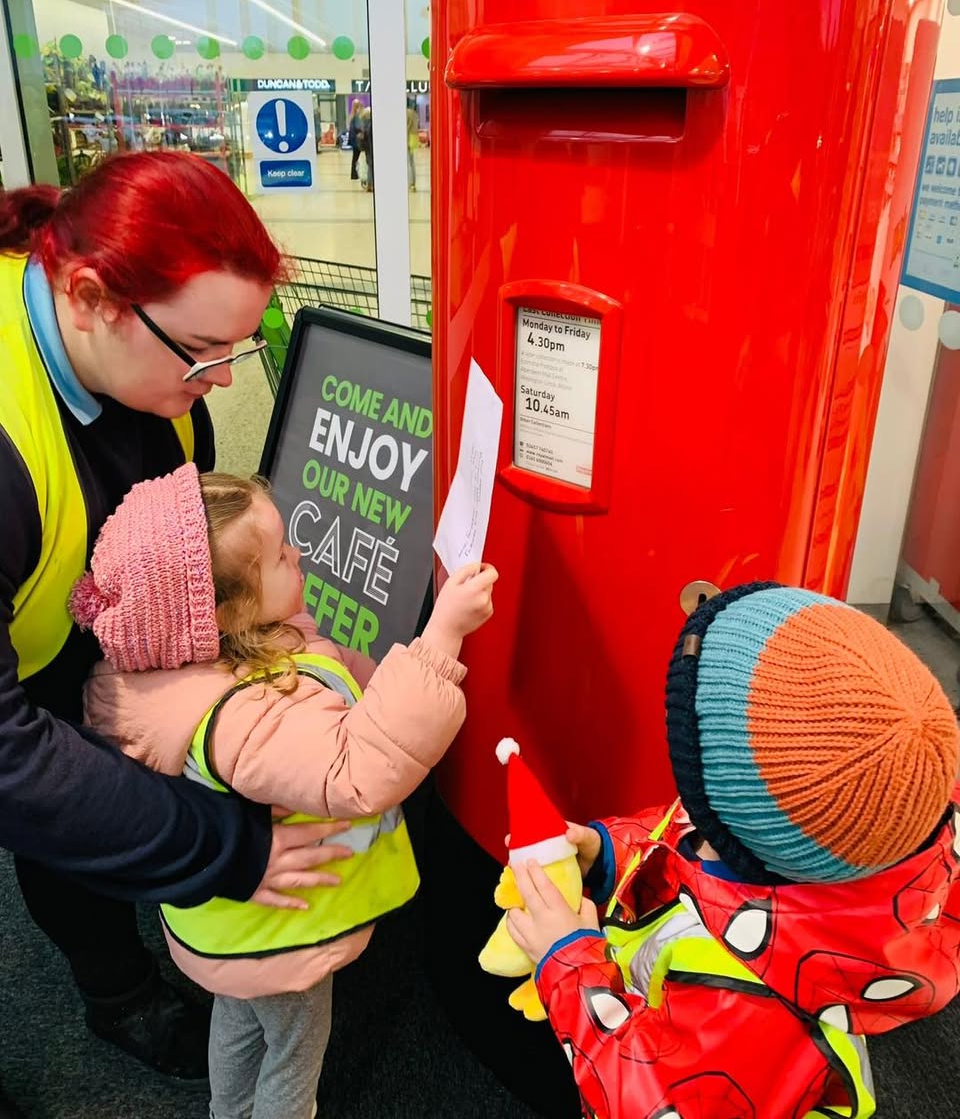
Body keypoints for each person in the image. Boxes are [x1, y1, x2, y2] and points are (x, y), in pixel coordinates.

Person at [0, 153, 348, 1114]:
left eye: (237, 350)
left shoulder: (158, 385)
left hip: (69, 610)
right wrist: (217, 846)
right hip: (24, 666)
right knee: (59, 818)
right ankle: (116, 992)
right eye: (201, 353)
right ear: (89, 295)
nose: (222, 383)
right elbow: (11, 756)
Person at [72, 465, 498, 1118]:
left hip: (233, 931)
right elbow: (358, 771)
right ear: (229, 610)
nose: (297, 554)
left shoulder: (207, 650)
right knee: (295, 1054)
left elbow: (343, 683)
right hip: (276, 930)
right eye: (278, 555)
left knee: (242, 1021)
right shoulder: (243, 713)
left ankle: (227, 1110)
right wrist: (440, 643)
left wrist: (395, 683)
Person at [506, 582, 960, 1118]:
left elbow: (658, 1103)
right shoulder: (891, 821)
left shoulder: (745, 997)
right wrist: (608, 852)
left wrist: (570, 966)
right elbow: (692, 841)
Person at [347, 99, 363, 181]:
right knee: (357, 157)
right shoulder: (357, 115)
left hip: (353, 140)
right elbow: (358, 127)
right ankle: (355, 174)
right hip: (357, 140)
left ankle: (354, 174)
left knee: (355, 157)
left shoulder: (352, 115)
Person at [407, 99, 419, 192]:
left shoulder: (406, 113)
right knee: (412, 161)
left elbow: (406, 127)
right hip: (413, 138)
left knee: (408, 162)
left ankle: (410, 183)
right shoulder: (414, 113)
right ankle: (413, 183)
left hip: (407, 138)